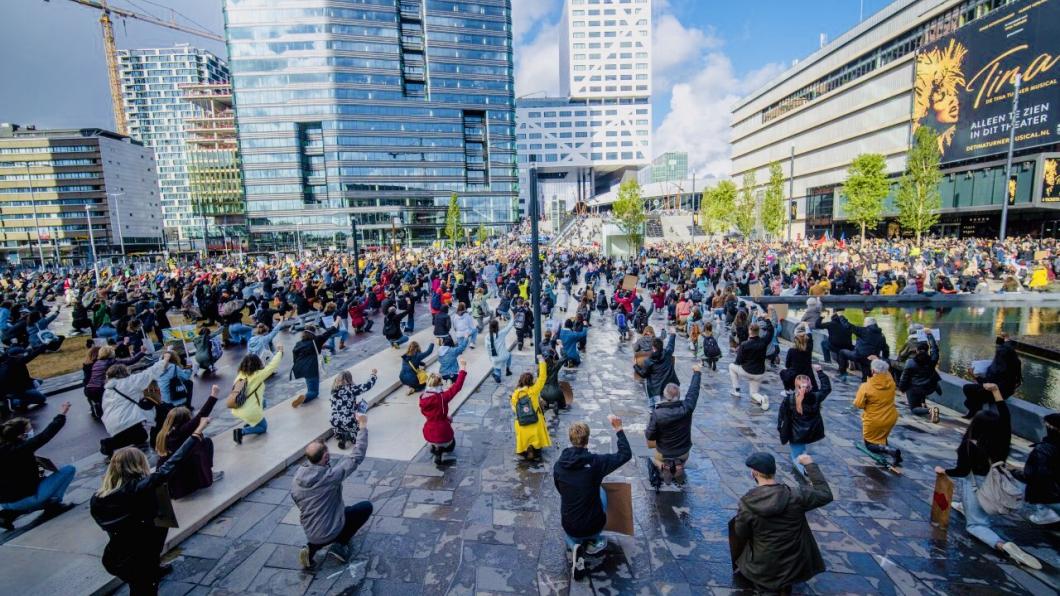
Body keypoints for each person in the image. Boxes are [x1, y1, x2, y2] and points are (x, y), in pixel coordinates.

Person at [91, 418, 210, 596]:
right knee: (143, 588)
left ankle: (151, 569)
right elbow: (174, 461)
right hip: (140, 559)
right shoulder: (141, 488)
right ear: (138, 465)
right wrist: (197, 432)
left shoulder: (97, 498)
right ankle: (150, 571)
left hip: (114, 557)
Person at [934, 384, 1041, 569]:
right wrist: (996, 392)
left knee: (975, 525)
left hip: (976, 483)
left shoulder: (969, 446)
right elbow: (1005, 416)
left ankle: (1002, 545)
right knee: (974, 505)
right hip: (997, 478)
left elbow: (961, 471)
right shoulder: (1002, 437)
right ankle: (964, 506)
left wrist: (943, 471)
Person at [733, 452, 833, 593]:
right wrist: (809, 465)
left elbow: (741, 532)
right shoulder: (797, 495)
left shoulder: (747, 503)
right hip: (796, 562)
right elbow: (825, 494)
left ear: (754, 473)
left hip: (763, 565)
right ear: (773, 472)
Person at [292, 418, 373, 569]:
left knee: (326, 523)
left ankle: (310, 549)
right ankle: (340, 545)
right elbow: (356, 456)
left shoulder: (297, 478)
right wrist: (362, 426)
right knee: (365, 507)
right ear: (325, 457)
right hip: (332, 529)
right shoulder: (330, 477)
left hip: (310, 530)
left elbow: (297, 501)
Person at [553, 416, 631, 568]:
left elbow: (560, 490)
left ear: (570, 439)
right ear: (587, 440)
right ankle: (594, 542)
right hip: (593, 525)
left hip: (570, 525)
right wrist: (618, 429)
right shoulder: (597, 462)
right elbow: (625, 454)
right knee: (600, 490)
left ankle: (575, 545)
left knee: (570, 528)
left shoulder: (558, 466)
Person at [0, 402, 76, 530]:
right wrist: (62, 413)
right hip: (25, 499)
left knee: (24, 493)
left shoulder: (4, 449)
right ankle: (54, 504)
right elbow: (46, 435)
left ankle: (8, 514)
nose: (32, 432)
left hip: (5, 502)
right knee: (68, 470)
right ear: (21, 435)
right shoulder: (21, 448)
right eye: (29, 430)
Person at [155, 385, 222, 499]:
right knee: (205, 443)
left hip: (172, 483)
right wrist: (213, 395)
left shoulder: (163, 434)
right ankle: (209, 472)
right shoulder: (183, 431)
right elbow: (202, 414)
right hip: (187, 483)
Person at [100, 351, 172, 457]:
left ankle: (112, 442)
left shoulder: (108, 390)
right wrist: (165, 359)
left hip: (111, 424)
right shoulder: (128, 382)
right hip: (126, 421)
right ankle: (110, 443)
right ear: (124, 373)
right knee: (160, 411)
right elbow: (150, 373)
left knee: (141, 437)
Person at [645, 365, 701, 485]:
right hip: (683, 452)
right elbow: (694, 391)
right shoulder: (687, 408)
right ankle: (679, 466)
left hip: (663, 452)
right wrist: (697, 373)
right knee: (681, 458)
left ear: (665, 395)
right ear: (678, 396)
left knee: (654, 459)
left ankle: (665, 466)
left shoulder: (657, 413)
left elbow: (650, 436)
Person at [778, 367, 831, 476]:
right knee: (800, 451)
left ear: (796, 386)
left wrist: (780, 428)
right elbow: (826, 388)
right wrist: (820, 372)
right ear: (810, 386)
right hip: (811, 431)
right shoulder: (816, 397)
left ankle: (805, 473)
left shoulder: (789, 399)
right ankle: (804, 465)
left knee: (797, 455)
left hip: (795, 434)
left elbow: (782, 415)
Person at [230, 346, 285, 444]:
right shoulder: (257, 375)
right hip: (248, 411)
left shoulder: (240, 374)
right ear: (257, 364)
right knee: (263, 427)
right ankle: (242, 432)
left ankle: (250, 422)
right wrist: (280, 352)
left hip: (236, 408)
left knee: (263, 402)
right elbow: (272, 366)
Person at [853, 357, 902, 467]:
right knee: (882, 436)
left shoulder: (866, 386)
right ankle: (891, 452)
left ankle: (890, 451)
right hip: (891, 417)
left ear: (873, 371)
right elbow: (887, 372)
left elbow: (858, 404)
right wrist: (878, 360)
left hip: (874, 419)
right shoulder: (891, 382)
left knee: (869, 444)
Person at [419, 361, 468, 465]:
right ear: (440, 384)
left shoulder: (422, 398)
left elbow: (433, 413)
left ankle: (436, 450)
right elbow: (457, 386)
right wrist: (463, 368)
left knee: (436, 438)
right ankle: (441, 451)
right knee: (450, 444)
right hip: (443, 432)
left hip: (428, 433)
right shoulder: (442, 398)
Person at [962, 337, 1022, 418]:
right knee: (976, 391)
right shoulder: (1014, 362)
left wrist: (974, 376)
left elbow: (991, 385)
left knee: (968, 388)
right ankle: (975, 409)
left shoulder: (1002, 367)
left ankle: (975, 409)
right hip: (1004, 391)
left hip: (998, 392)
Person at [1019, 412, 1060, 525]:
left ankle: (1044, 514)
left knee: (1033, 486)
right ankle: (1044, 513)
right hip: (1053, 490)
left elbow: (1034, 475)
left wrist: (1016, 473)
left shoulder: (1042, 450)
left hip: (1051, 494)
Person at [511, 356, 551, 461]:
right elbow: (542, 377)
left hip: (522, 423)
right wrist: (542, 361)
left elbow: (514, 409)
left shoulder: (516, 394)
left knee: (520, 429)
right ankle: (535, 446)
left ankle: (527, 447)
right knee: (538, 424)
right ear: (531, 381)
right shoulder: (534, 390)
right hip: (535, 420)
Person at [291, 323, 339, 408]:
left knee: (310, 384)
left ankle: (306, 393)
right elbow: (328, 332)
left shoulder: (298, 343)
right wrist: (337, 321)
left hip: (301, 367)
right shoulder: (316, 341)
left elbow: (294, 355)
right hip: (311, 368)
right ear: (313, 333)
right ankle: (305, 398)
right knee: (314, 392)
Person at [897, 332, 941, 422]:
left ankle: (931, 410)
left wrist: (901, 388)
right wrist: (930, 335)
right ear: (927, 350)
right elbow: (935, 349)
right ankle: (922, 401)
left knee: (914, 408)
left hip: (915, 389)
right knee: (923, 385)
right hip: (929, 387)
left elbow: (904, 378)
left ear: (916, 350)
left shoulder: (910, 362)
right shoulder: (932, 360)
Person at [329, 369, 378, 450]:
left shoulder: (333, 390)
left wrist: (354, 406)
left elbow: (341, 405)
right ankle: (351, 436)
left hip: (335, 421)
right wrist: (373, 374)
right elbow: (368, 385)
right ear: (349, 379)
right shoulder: (351, 388)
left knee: (341, 424)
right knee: (359, 435)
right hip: (349, 422)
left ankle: (340, 435)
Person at [729, 322, 772, 411]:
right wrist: (767, 320)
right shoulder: (764, 341)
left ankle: (736, 390)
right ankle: (762, 399)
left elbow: (738, 361)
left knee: (731, 366)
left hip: (747, 371)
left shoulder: (745, 344)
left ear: (749, 331)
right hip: (760, 373)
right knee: (753, 394)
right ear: (758, 331)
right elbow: (771, 331)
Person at [841, 317, 889, 382]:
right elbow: (886, 349)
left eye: (864, 323)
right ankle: (865, 384)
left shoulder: (864, 330)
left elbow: (849, 326)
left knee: (842, 352)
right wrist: (883, 359)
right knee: (865, 376)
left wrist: (841, 317)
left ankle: (843, 374)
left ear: (867, 324)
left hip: (858, 355)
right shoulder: (882, 335)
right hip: (870, 359)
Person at [635, 331, 678, 402]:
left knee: (654, 408)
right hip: (669, 387)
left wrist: (636, 366)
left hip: (655, 390)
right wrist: (673, 334)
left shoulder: (649, 361)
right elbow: (671, 345)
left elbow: (643, 374)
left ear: (653, 348)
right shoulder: (667, 353)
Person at [486, 317, 515, 382]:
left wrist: (490, 358)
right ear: (497, 326)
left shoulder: (487, 337)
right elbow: (509, 326)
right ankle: (508, 370)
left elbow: (487, 349)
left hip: (495, 358)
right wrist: (513, 318)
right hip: (505, 356)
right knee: (509, 355)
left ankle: (497, 376)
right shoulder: (501, 333)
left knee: (496, 367)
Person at [538, 348, 567, 413]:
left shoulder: (540, 368)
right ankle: (557, 403)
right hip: (555, 392)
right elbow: (565, 356)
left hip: (543, 393)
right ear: (552, 357)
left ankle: (547, 404)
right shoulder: (555, 365)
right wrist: (561, 346)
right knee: (563, 404)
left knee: (547, 393)